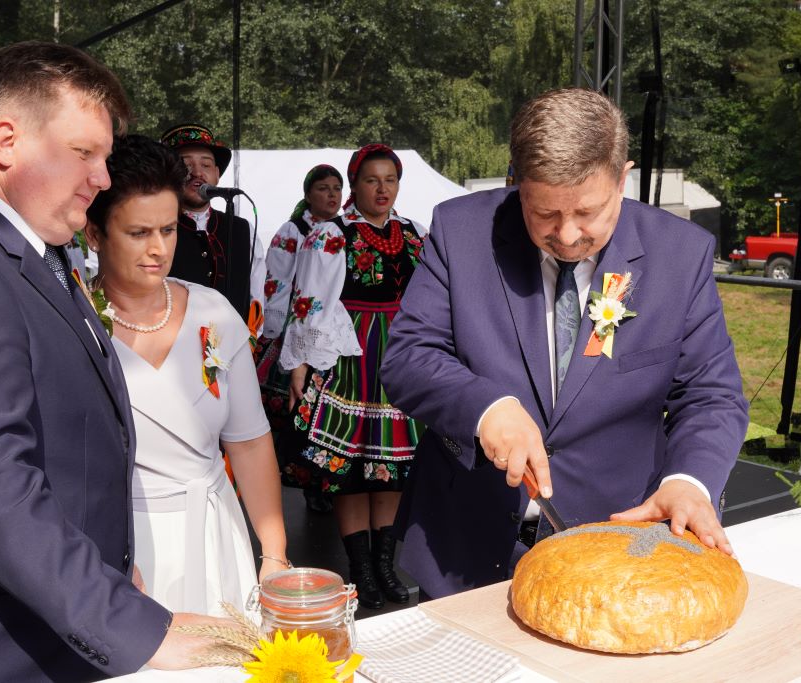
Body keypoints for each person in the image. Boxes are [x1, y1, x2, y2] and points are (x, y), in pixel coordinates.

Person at [0, 41, 223, 682]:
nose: (103, 179)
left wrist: (111, 567)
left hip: (51, 625)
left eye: (105, 157)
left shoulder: (30, 249)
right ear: (7, 142)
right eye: (84, 153)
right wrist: (130, 625)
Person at [380, 88, 749, 599]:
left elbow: (711, 395)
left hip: (613, 546)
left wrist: (689, 480)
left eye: (587, 213)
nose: (568, 235)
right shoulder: (460, 232)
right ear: (517, 183)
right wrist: (485, 409)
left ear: (623, 178)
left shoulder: (680, 256)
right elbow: (407, 357)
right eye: (544, 215)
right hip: (465, 548)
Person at [82, 135, 289, 617]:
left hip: (217, 535)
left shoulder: (213, 314)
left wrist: (274, 555)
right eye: (138, 233)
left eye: (169, 230)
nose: (158, 249)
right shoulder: (74, 321)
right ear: (94, 233)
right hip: (121, 547)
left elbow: (251, 442)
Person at [278, 144, 428, 609]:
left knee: (391, 470)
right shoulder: (331, 235)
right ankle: (359, 567)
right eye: (371, 180)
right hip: (350, 353)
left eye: (390, 180)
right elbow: (310, 300)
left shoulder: (415, 233)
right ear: (355, 185)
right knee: (351, 469)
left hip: (400, 353)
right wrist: (300, 364)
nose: (382, 189)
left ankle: (385, 563)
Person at [258, 164, 345, 431]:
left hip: (337, 323)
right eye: (323, 189)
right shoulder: (292, 230)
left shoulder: (345, 228)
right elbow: (276, 282)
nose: (332, 195)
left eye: (337, 189)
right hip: (295, 322)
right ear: (308, 195)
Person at [160, 123, 266, 333]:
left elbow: (256, 295)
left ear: (217, 174)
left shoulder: (243, 230)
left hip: (234, 349)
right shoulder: (158, 228)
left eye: (206, 165)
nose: (197, 173)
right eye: (185, 165)